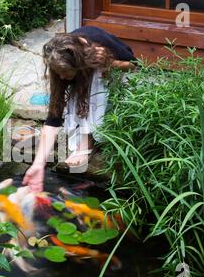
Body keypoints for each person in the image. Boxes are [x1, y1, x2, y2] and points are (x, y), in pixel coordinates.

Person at [22, 26, 136, 193]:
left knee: (96, 79)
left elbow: (133, 65)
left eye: (64, 72)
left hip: (116, 77)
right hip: (83, 72)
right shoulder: (60, 61)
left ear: (79, 63)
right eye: (57, 72)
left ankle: (87, 141)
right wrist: (38, 164)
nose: (61, 77)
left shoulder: (99, 41)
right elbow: (54, 116)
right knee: (77, 93)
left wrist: (109, 63)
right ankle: (84, 136)